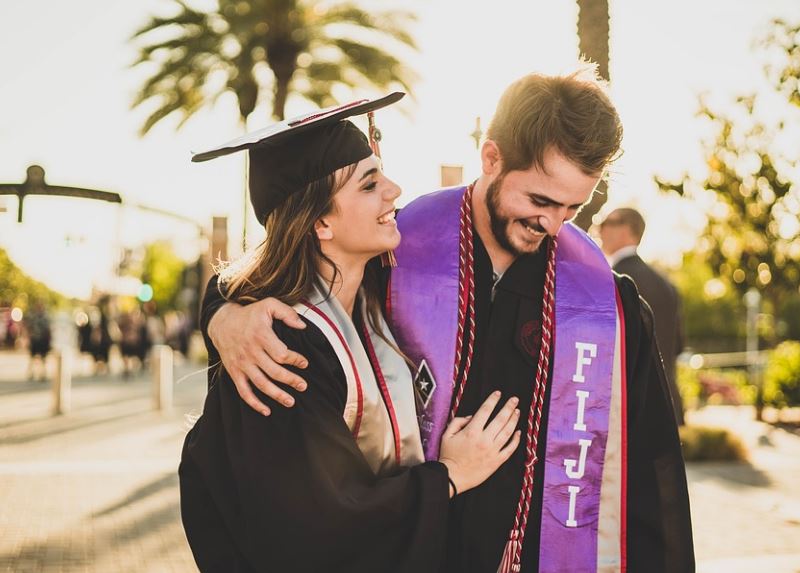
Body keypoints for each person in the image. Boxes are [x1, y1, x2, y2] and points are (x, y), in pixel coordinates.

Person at [204, 70, 695, 572]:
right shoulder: (397, 251)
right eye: (539, 201)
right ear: (491, 158)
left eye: (573, 207)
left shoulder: (605, 303)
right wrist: (222, 314)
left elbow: (650, 476)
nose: (552, 224)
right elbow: (284, 268)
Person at [179, 94, 522, 573]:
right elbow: (320, 524)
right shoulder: (282, 347)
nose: (395, 191)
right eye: (369, 185)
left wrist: (219, 311)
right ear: (321, 221)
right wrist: (449, 477)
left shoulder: (377, 293)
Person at [599, 207, 686, 425]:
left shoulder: (611, 281)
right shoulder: (667, 285)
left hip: (626, 410)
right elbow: (678, 346)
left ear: (626, 230)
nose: (599, 229)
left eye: (606, 222)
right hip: (665, 405)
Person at [23, 302, 51, 381]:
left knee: (43, 358)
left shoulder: (45, 317)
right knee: (32, 358)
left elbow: (48, 330)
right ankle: (31, 373)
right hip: (35, 339)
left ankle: (42, 374)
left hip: (42, 340)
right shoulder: (33, 317)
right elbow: (29, 327)